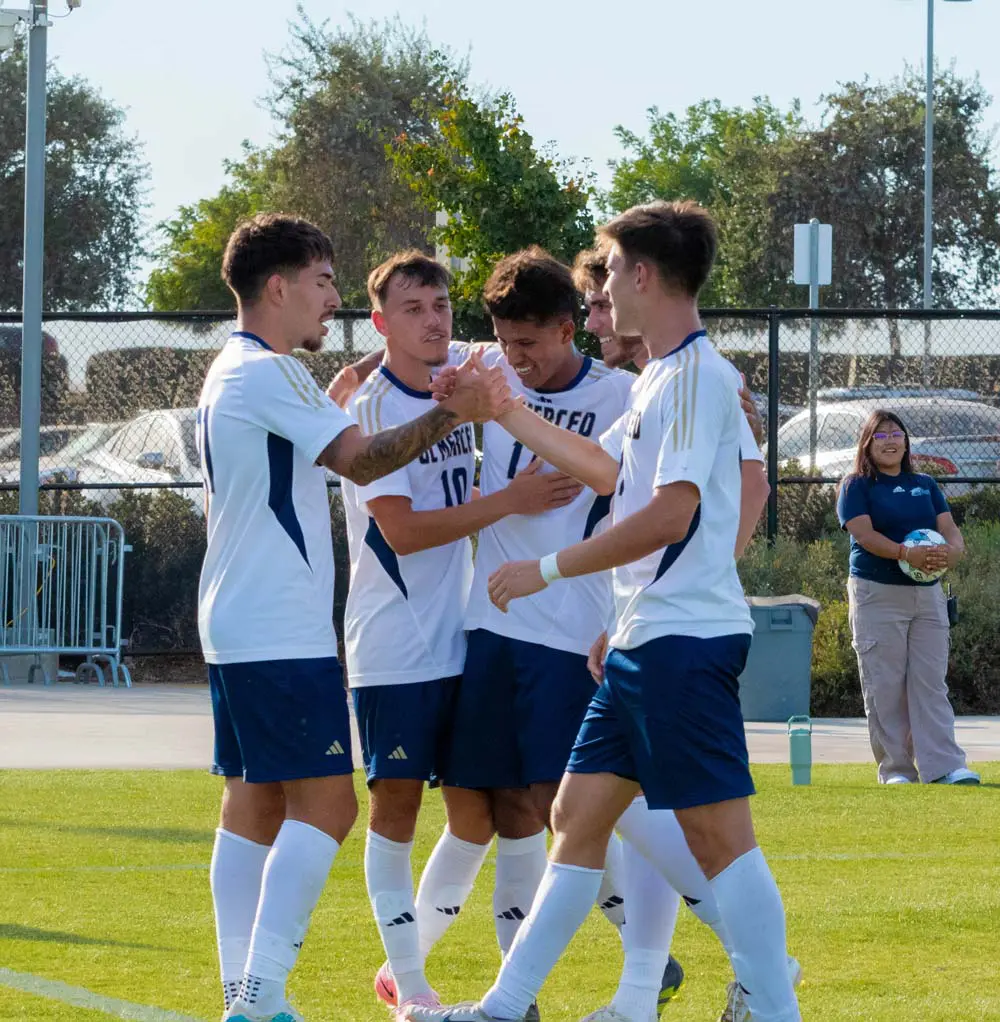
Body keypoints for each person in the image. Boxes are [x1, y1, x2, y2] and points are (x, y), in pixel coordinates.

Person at [405, 200, 801, 1022]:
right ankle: (504, 1006)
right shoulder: (660, 376)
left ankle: (775, 1003)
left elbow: (667, 515)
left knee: (720, 842)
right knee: (574, 815)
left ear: (646, 274)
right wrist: (502, 409)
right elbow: (601, 468)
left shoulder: (696, 376)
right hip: (643, 641)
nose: (603, 289)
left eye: (612, 270)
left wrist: (546, 569)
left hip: (682, 643)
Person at [196, 214, 510, 1022]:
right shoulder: (266, 373)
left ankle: (246, 994)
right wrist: (458, 410)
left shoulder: (238, 368)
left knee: (255, 805)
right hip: (276, 624)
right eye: (323, 281)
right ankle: (257, 995)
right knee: (331, 807)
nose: (332, 299)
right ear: (278, 286)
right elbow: (364, 458)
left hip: (240, 618)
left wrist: (394, 367)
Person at [340, 251, 582, 1021]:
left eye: (440, 304)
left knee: (495, 811)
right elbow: (404, 533)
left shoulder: (465, 372)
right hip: (396, 646)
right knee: (398, 811)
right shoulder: (372, 411)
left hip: (469, 639)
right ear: (381, 322)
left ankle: (512, 989)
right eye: (412, 309)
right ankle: (411, 993)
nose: (434, 320)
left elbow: (530, 353)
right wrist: (510, 502)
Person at [836, 410, 979, 786]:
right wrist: (904, 553)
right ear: (867, 443)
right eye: (880, 436)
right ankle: (897, 770)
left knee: (931, 683)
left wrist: (952, 553)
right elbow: (864, 536)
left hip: (927, 596)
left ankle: (944, 766)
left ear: (906, 442)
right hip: (876, 593)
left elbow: (950, 532)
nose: (890, 441)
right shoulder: (855, 486)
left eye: (896, 434)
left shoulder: (926, 484)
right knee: (885, 684)